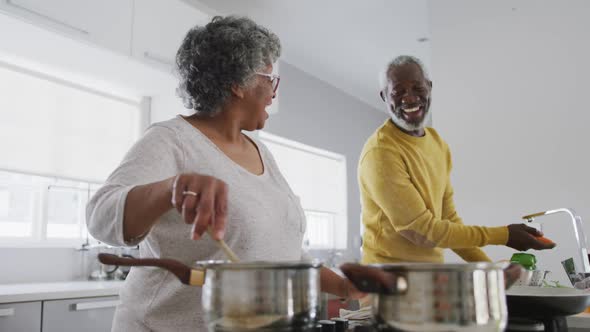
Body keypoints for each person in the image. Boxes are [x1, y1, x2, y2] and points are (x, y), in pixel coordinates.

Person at [87, 16, 361, 332]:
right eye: (269, 78)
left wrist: (342, 285)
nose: (274, 91)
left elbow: (281, 252)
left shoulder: (261, 152)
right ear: (237, 82)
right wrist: (173, 187)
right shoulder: (172, 140)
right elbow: (100, 216)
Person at [358, 55, 555, 267]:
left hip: (430, 278)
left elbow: (448, 221)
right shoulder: (380, 153)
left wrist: (491, 271)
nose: (410, 98)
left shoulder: (437, 144)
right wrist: (504, 235)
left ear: (430, 87)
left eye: (417, 88)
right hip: (386, 284)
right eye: (398, 92)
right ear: (384, 97)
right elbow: (423, 232)